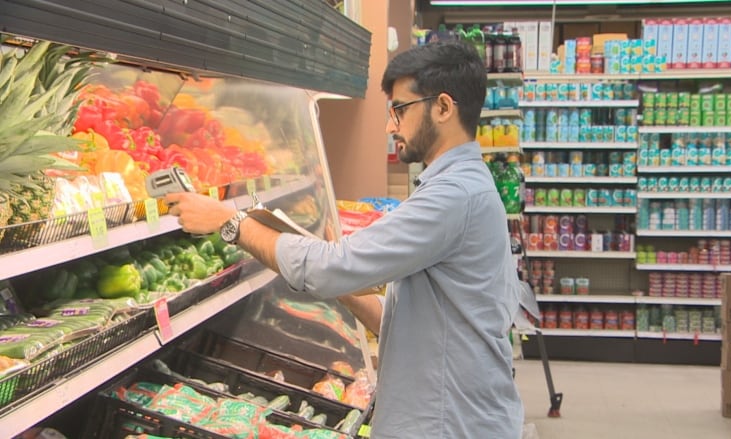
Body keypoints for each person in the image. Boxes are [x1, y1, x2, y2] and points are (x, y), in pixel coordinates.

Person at [167, 41, 527, 438]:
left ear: (443, 108)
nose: (392, 126)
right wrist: (343, 282)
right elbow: (403, 318)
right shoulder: (459, 188)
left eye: (400, 110)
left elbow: (328, 269)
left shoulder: (454, 196)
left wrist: (229, 222)